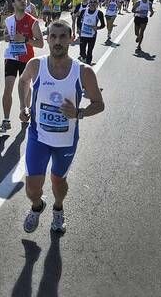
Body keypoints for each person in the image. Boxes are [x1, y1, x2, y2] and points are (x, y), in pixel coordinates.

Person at [18, 19, 105, 233]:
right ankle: (37, 206)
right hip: (38, 138)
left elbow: (99, 104)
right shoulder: (36, 65)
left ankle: (58, 208)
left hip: (65, 141)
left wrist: (78, 113)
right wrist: (23, 106)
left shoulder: (83, 72)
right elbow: (23, 81)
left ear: (71, 39)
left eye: (63, 36)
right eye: (53, 36)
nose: (57, 41)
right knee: (32, 189)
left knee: (58, 182)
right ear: (47, 39)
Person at [0, 0, 44, 133]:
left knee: (25, 86)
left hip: (27, 59)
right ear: (13, 3)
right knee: (8, 88)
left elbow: (40, 44)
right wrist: (6, 37)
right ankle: (6, 120)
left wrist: (25, 40)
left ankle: (24, 109)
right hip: (11, 57)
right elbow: (6, 35)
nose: (23, 1)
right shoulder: (9, 20)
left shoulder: (32, 21)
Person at [76, 0, 105, 64]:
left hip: (92, 35)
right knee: (82, 51)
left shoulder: (99, 13)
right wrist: (78, 29)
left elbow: (103, 25)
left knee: (90, 51)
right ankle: (84, 58)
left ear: (97, 3)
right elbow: (79, 21)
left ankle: (88, 64)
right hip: (83, 34)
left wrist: (97, 27)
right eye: (91, 2)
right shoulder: (83, 11)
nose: (92, 3)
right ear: (89, 3)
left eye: (94, 2)